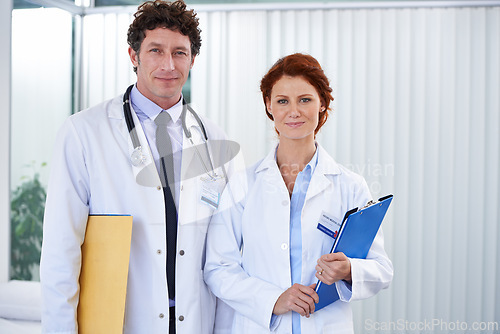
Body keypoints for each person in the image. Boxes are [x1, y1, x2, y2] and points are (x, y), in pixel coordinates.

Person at [40, 1, 240, 333]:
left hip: (194, 321)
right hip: (121, 321)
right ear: (134, 56)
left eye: (179, 52)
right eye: (155, 50)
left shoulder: (213, 137)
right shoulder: (85, 132)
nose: (168, 64)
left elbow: (224, 251)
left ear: (192, 59)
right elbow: (61, 250)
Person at [204, 53, 393, 333]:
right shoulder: (243, 184)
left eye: (305, 99)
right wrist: (274, 300)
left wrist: (349, 269)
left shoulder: (350, 185)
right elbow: (218, 267)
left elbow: (381, 269)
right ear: (269, 107)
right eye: (282, 101)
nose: (294, 111)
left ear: (322, 104)